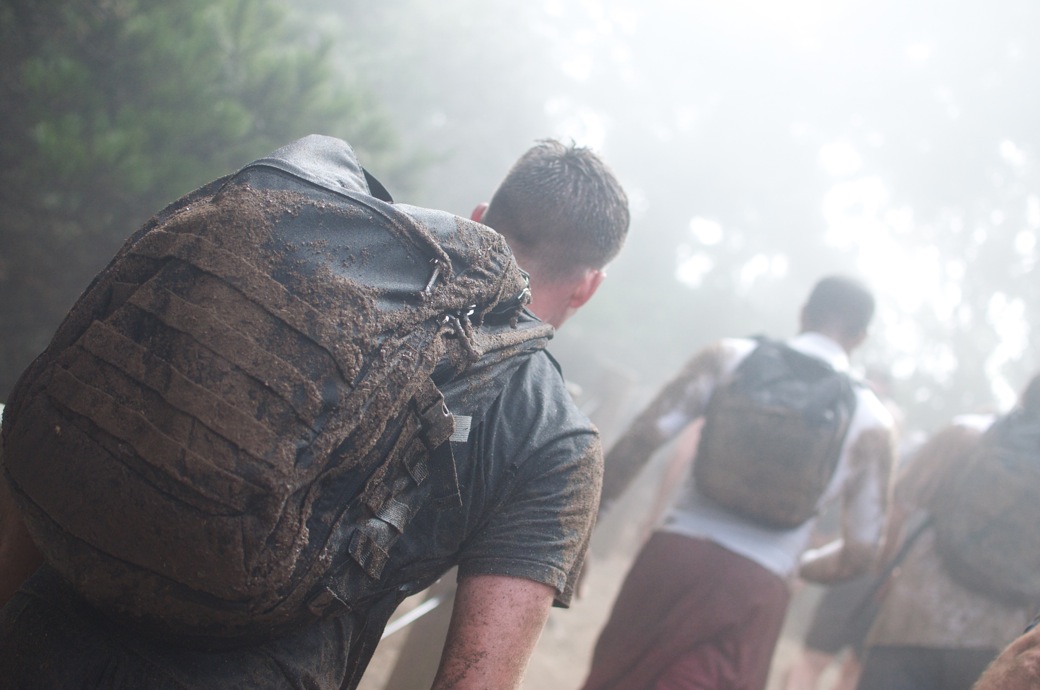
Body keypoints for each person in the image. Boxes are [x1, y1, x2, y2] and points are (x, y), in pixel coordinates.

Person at [0, 135, 630, 690]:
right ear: (589, 286)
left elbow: (81, 412)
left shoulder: (319, 256)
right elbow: (476, 679)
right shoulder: (557, 442)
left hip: (37, 635)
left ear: (481, 220)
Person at [581, 275, 897, 690]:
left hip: (671, 560)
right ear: (861, 338)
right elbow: (864, 550)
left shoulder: (729, 356)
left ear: (804, 313)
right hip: (757, 589)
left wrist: (581, 533)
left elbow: (641, 440)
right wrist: (797, 565)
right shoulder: (873, 422)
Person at [855, 375, 1040, 690]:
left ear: (1026, 394)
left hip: (913, 616)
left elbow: (898, 508)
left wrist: (881, 572)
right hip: (998, 642)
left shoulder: (967, 435)